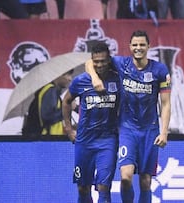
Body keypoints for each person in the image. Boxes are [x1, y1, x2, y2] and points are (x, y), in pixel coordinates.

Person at [86, 30, 171, 203]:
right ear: (129, 47)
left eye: (142, 45)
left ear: (149, 46)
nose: (138, 48)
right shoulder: (121, 64)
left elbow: (166, 103)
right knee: (125, 177)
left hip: (150, 130)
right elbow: (89, 62)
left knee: (146, 182)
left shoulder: (160, 70)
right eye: (135, 45)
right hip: (127, 129)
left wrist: (164, 132)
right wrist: (95, 78)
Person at [62, 42, 120, 203]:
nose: (100, 65)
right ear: (91, 62)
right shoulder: (80, 81)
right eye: (96, 61)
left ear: (109, 60)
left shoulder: (118, 79)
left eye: (103, 61)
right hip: (84, 141)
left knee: (104, 187)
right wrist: (69, 128)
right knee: (83, 188)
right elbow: (66, 101)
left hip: (108, 141)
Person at [22, 70, 73, 136]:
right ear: (58, 75)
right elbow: (48, 117)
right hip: (46, 140)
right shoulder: (50, 91)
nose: (70, 79)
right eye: (67, 75)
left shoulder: (52, 92)